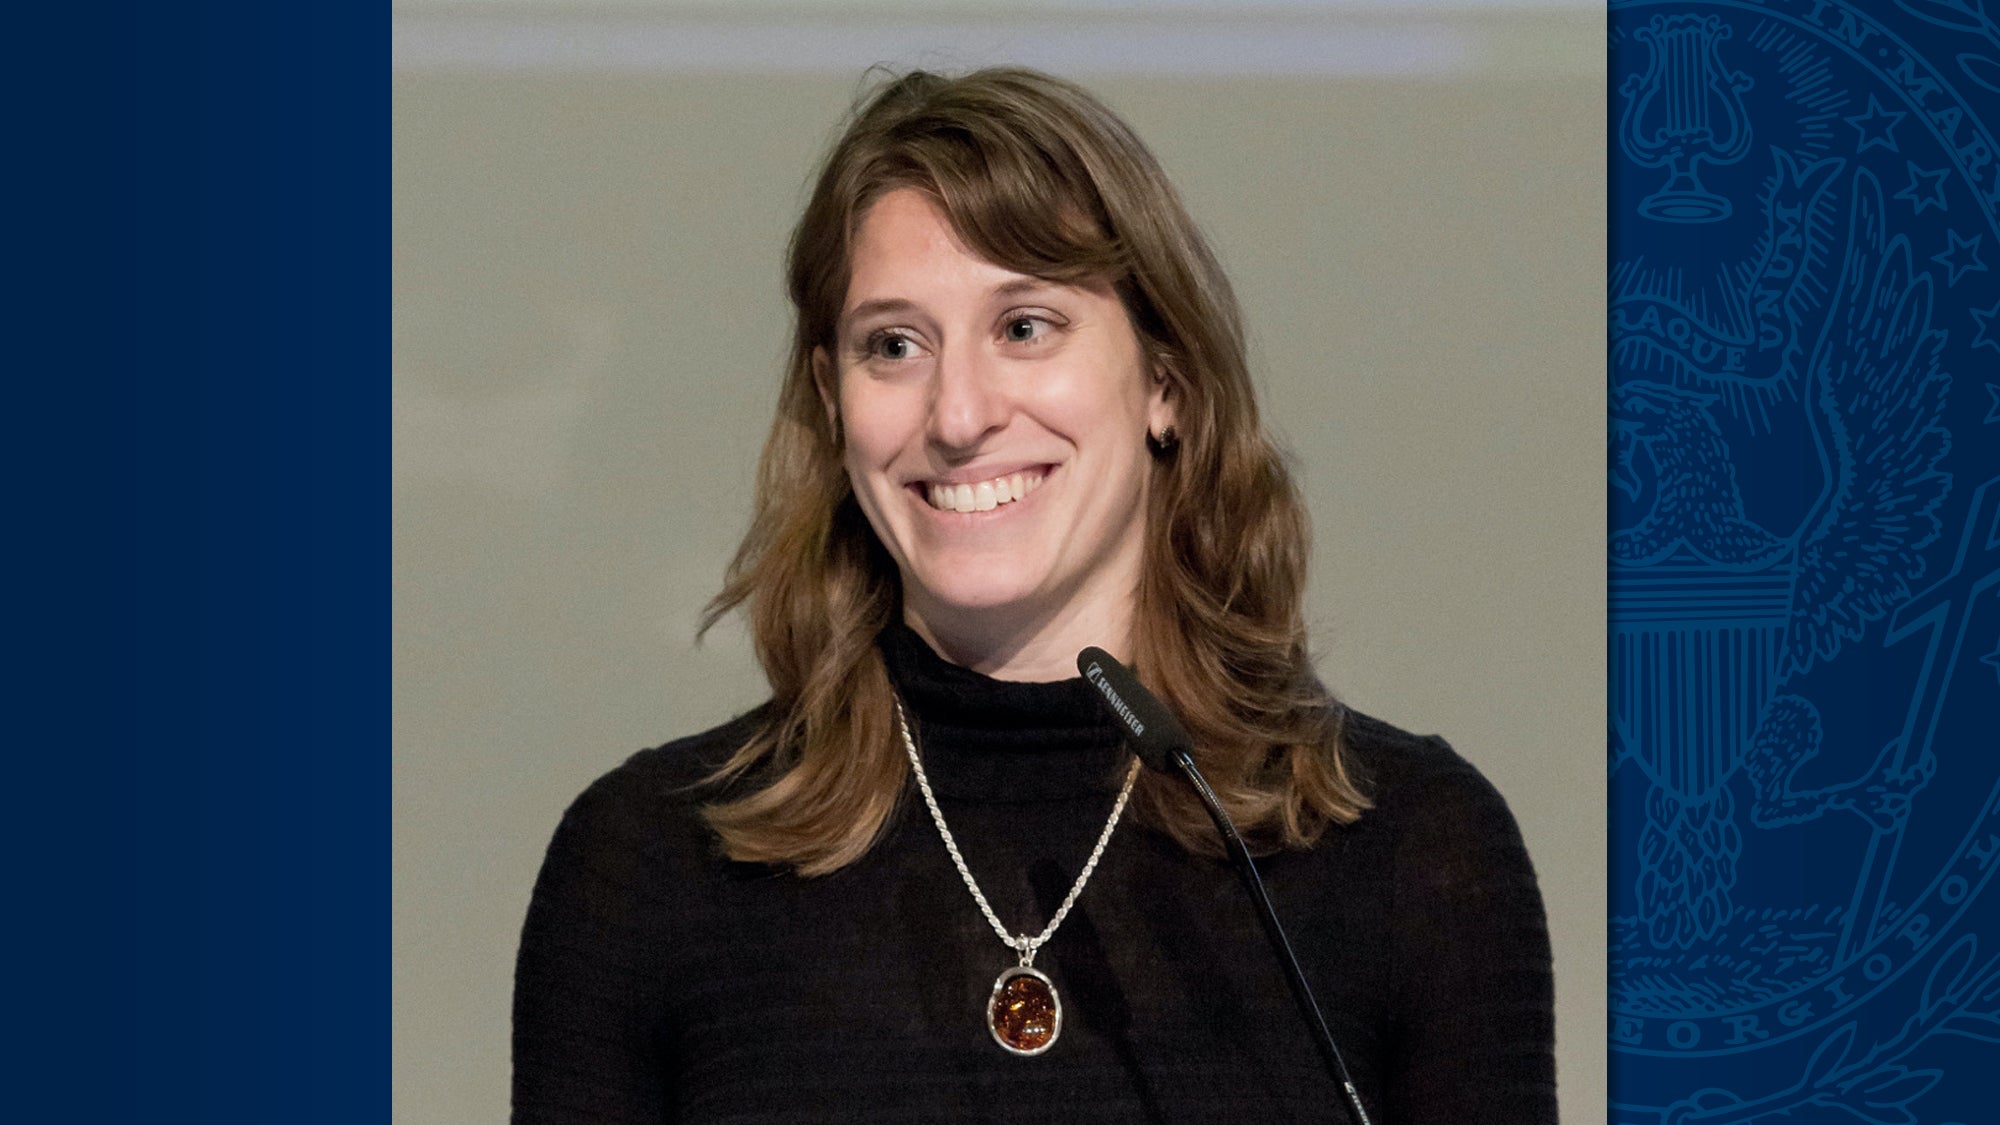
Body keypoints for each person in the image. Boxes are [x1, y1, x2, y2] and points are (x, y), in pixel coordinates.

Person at [513, 67, 1555, 1123]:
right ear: (832, 403)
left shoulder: (1409, 850)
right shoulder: (649, 867)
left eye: (1024, 327)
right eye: (893, 345)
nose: (957, 414)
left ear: (1165, 380)